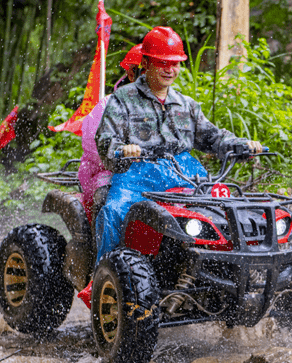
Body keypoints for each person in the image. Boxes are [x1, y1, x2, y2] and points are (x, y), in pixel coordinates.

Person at [94, 26, 262, 265]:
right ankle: (106, 276)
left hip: (185, 174)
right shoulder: (123, 99)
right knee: (114, 212)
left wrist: (240, 144)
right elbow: (105, 139)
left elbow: (212, 137)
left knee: (223, 209)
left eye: (175, 63)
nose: (170, 69)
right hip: (136, 175)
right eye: (163, 63)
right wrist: (123, 150)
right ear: (147, 63)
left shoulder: (187, 105)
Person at [78, 43, 144, 220]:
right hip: (109, 173)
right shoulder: (108, 106)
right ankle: (104, 246)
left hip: (151, 173)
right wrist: (121, 155)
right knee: (105, 198)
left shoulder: (168, 108)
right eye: (146, 72)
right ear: (131, 74)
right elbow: (95, 146)